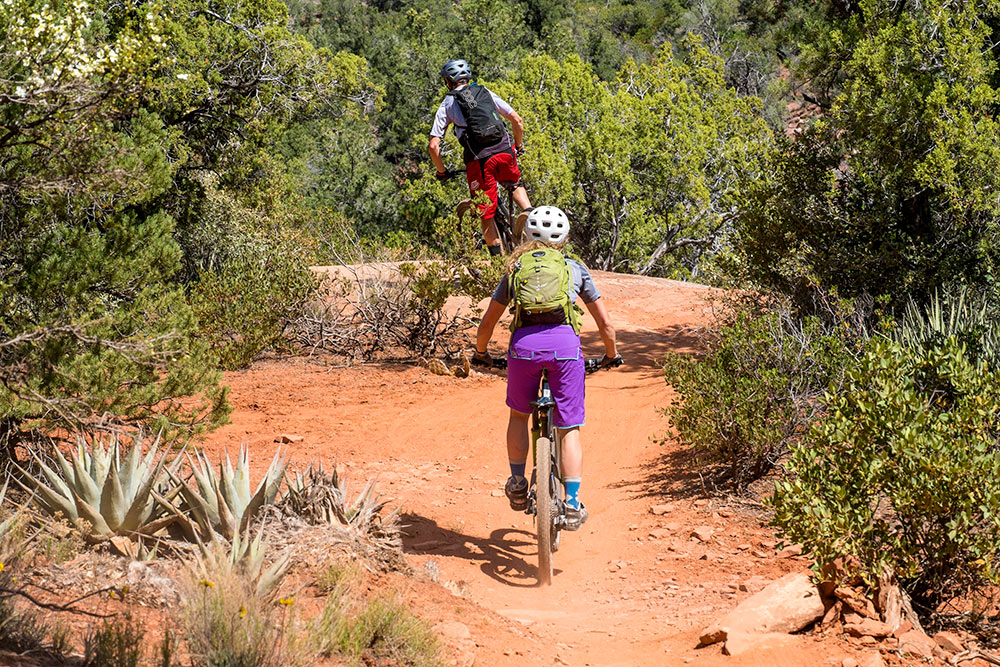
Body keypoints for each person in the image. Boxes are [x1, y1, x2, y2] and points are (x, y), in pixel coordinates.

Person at [472, 206, 622, 529]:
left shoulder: (516, 270)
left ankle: (516, 481)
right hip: (566, 351)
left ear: (526, 236)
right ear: (565, 239)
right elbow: (605, 323)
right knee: (568, 428)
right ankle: (570, 502)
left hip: (523, 351)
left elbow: (488, 321)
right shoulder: (575, 269)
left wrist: (481, 353)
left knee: (518, 415)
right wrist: (611, 355)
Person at [428, 58, 532, 256]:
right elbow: (516, 120)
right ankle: (529, 213)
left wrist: (442, 171)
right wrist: (517, 146)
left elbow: (434, 145)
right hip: (505, 149)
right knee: (514, 183)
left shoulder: (449, 102)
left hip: (481, 159)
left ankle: (497, 264)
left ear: (449, 81)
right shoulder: (485, 92)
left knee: (485, 212)